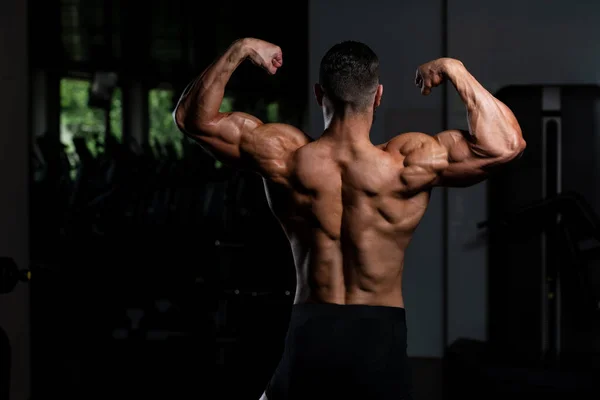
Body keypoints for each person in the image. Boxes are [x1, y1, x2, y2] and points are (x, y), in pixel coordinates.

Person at [173, 38, 525, 400]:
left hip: (311, 327)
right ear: (378, 96)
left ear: (317, 93)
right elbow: (506, 145)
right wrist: (455, 70)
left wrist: (241, 49)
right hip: (379, 336)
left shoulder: (283, 156)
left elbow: (191, 119)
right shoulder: (407, 164)